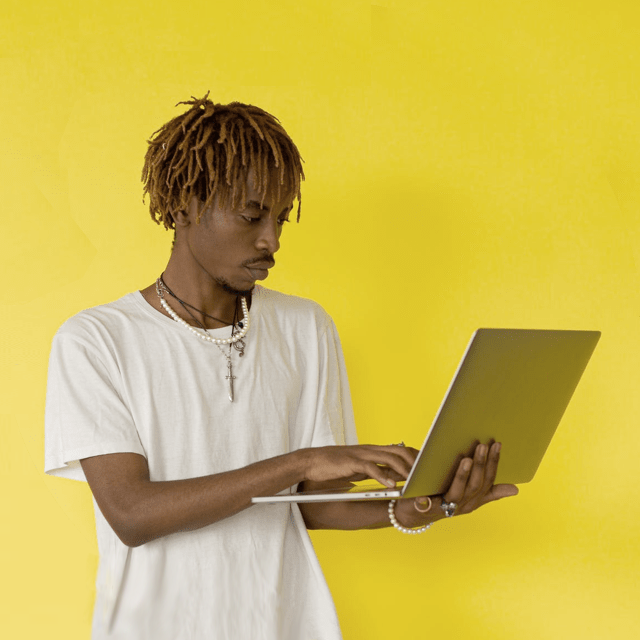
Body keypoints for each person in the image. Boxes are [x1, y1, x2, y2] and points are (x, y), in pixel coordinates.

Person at [44, 92, 518, 639]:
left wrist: (416, 509)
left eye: (280, 217)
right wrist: (302, 461)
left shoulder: (305, 327)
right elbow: (131, 515)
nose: (270, 240)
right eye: (251, 215)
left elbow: (306, 508)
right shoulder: (96, 340)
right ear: (181, 206)